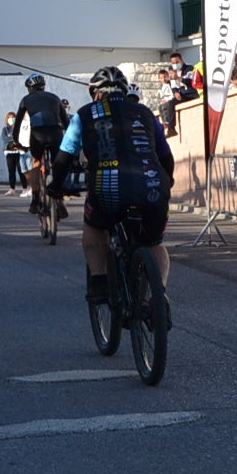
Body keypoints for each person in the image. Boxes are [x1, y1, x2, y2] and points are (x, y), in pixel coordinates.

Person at [51, 66, 176, 315]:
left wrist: (56, 187)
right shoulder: (145, 113)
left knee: (95, 227)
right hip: (153, 186)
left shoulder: (84, 115)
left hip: (109, 187)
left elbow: (64, 157)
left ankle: (98, 281)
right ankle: (159, 296)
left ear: (95, 94)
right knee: (154, 244)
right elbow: (166, 156)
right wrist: (167, 182)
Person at [12, 73, 71, 216]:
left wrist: (16, 141)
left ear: (30, 88)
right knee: (57, 164)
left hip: (37, 134)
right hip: (56, 133)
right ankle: (60, 201)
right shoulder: (55, 98)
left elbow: (18, 122)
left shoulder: (26, 99)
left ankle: (35, 200)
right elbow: (66, 122)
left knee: (36, 162)